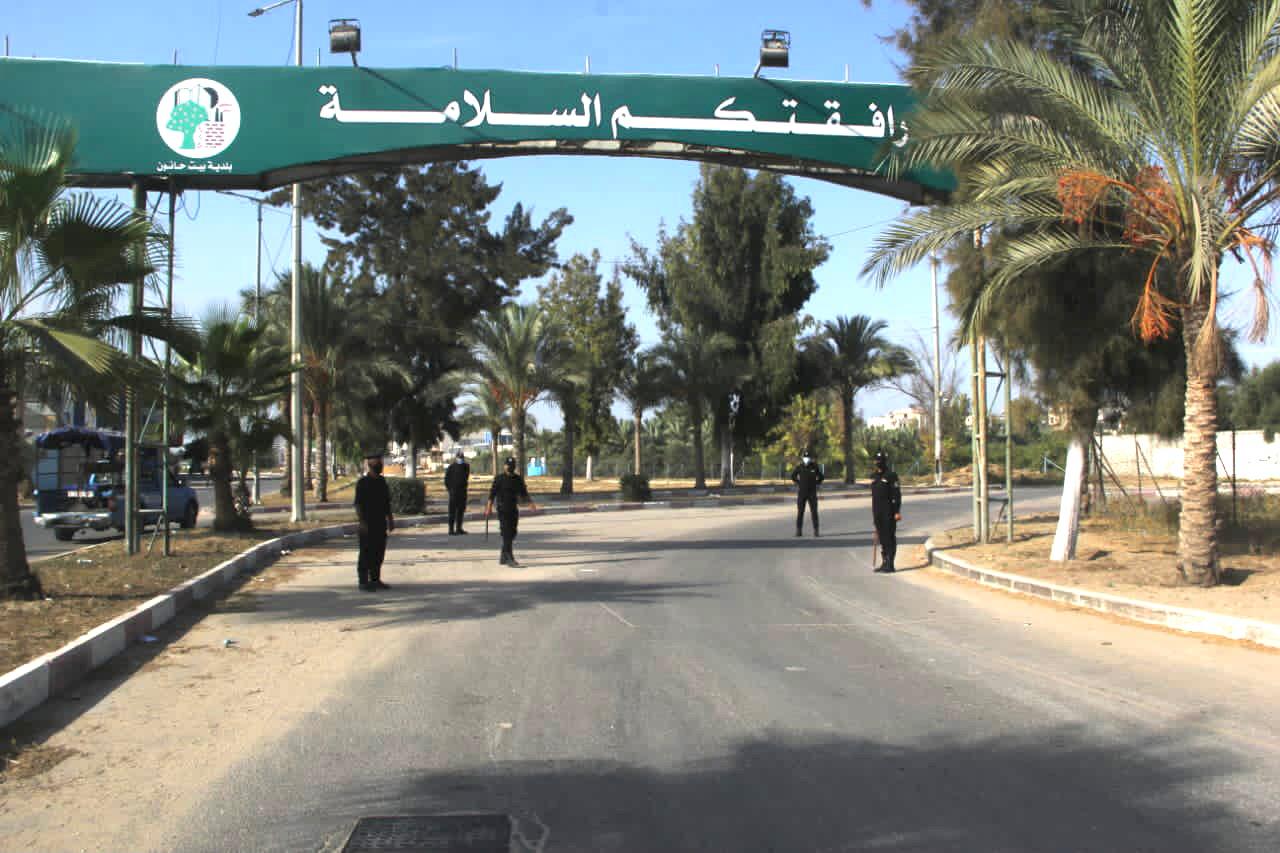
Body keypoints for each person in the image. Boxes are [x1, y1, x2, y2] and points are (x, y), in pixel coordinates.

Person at [484, 457, 538, 567]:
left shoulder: (518, 479)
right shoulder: (499, 478)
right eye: (508, 465)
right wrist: (488, 507)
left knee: (512, 532)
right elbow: (492, 494)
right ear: (504, 466)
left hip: (513, 509)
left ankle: (503, 556)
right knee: (506, 533)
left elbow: (524, 493)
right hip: (502, 509)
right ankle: (510, 557)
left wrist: (531, 503)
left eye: (512, 465)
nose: (510, 467)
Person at [353, 451, 395, 591]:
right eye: (377, 462)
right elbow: (358, 504)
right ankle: (363, 582)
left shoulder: (382, 481)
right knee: (366, 553)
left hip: (380, 523)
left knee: (379, 552)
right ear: (370, 464)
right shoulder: (363, 483)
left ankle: (376, 579)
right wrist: (362, 522)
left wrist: (390, 519)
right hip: (367, 523)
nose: (380, 465)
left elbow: (386, 502)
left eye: (380, 462)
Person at [870, 450, 902, 573]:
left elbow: (896, 495)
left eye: (881, 461)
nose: (879, 463)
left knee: (889, 537)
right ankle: (884, 563)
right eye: (877, 460)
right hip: (877, 512)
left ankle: (890, 563)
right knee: (882, 538)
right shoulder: (874, 477)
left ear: (885, 461)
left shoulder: (891, 475)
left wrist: (897, 511)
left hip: (888, 512)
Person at [791, 449, 825, 537]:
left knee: (814, 512)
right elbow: (793, 476)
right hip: (802, 493)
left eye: (808, 457)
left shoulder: (814, 467)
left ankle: (816, 530)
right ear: (802, 458)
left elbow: (821, 477)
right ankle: (798, 531)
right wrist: (799, 483)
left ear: (810, 458)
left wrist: (816, 483)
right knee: (800, 512)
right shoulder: (799, 467)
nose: (806, 459)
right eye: (805, 457)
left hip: (812, 493)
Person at [444, 449, 471, 535]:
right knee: (452, 511)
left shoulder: (466, 466)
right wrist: (450, 490)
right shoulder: (451, 467)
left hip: (462, 492)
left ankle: (459, 528)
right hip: (453, 492)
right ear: (456, 458)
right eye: (459, 457)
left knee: (461, 511)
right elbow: (446, 480)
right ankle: (451, 530)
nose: (461, 459)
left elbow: (466, 477)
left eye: (462, 457)